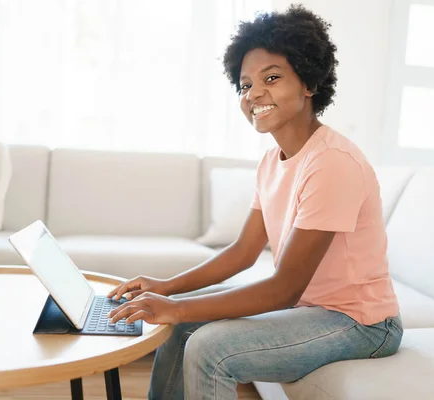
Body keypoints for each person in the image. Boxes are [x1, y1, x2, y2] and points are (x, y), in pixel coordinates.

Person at [107, 5, 402, 399]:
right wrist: (169, 288)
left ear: (309, 83)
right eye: (245, 85)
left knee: (210, 348)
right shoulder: (271, 161)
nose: (254, 94)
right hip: (314, 311)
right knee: (178, 328)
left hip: (362, 324)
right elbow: (244, 251)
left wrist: (175, 307)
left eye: (272, 78)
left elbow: (285, 289)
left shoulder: (332, 163)